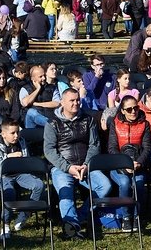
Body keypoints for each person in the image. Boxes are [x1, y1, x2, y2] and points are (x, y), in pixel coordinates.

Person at [44, 88, 111, 239]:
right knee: (65, 192)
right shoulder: (52, 123)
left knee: (104, 185)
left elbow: (94, 145)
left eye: (77, 100)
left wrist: (86, 165)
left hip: (85, 166)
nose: (76, 103)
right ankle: (71, 229)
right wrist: (68, 168)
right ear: (62, 102)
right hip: (62, 167)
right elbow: (49, 150)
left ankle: (80, 216)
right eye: (72, 101)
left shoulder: (88, 120)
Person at [0, 118, 45, 241]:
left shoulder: (21, 141)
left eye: (17, 132)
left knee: (39, 185)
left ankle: (24, 214)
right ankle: (5, 224)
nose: (16, 135)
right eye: (12, 133)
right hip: (1, 175)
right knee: (9, 192)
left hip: (19, 173)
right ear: (3, 134)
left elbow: (26, 160)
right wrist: (9, 157)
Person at [106, 95, 151, 229]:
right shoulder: (115, 123)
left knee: (138, 183)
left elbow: (147, 147)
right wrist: (124, 164)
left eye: (136, 108)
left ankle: (137, 215)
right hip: (118, 164)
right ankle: (126, 216)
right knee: (125, 183)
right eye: (129, 109)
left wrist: (138, 162)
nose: (133, 111)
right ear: (122, 110)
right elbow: (112, 147)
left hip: (138, 164)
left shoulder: (145, 124)